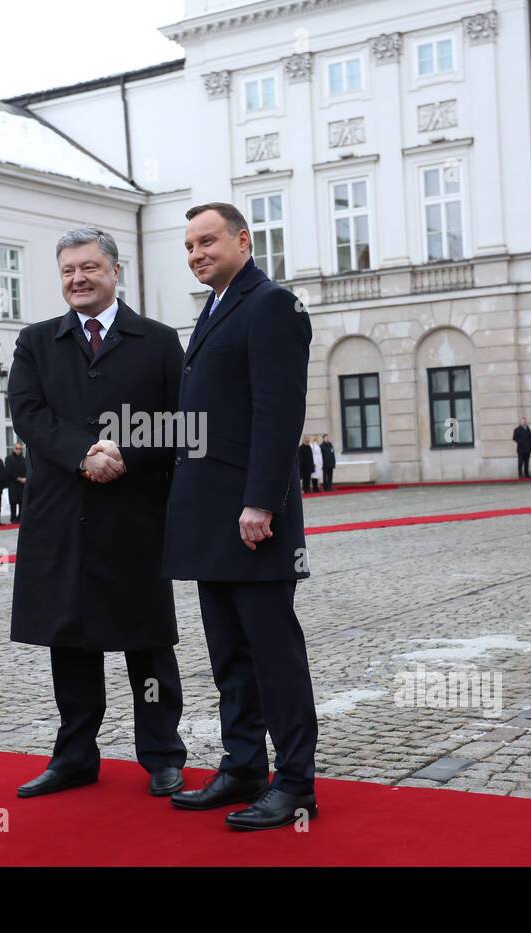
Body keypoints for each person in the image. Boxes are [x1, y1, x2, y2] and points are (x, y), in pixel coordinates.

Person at [7, 224, 186, 801]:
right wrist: (84, 454)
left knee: (147, 644)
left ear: (115, 272)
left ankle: (162, 755)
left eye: (89, 268)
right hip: (62, 517)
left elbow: (180, 424)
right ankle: (76, 755)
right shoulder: (36, 342)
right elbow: (29, 416)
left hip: (135, 517)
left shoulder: (157, 341)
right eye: (67, 271)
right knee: (71, 643)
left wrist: (124, 454)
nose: (78, 279)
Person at [163, 201, 317, 830]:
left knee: (272, 652)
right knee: (229, 653)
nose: (197, 254)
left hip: (255, 517)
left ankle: (297, 782)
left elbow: (277, 413)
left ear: (243, 240)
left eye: (208, 242)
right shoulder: (214, 309)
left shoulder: (270, 303)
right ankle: (245, 763)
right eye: (190, 246)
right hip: (211, 517)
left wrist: (261, 501)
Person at [5, 442, 27, 522]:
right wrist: (18, 478)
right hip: (13, 484)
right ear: (13, 449)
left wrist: (25, 478)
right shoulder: (9, 459)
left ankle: (20, 517)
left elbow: (27, 470)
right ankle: (13, 517)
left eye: (20, 449)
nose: (18, 450)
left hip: (22, 484)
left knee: (22, 502)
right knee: (13, 502)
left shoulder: (24, 459)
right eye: (16, 448)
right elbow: (8, 471)